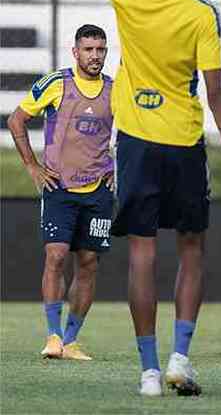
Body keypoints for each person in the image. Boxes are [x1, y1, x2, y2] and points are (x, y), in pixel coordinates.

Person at [86, 0, 221, 396]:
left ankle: (149, 372)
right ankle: (181, 356)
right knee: (192, 249)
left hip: (136, 142)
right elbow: (215, 89)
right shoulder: (202, 14)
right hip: (183, 143)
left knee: (141, 252)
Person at [8, 24, 114, 362]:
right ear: (75, 52)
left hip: (98, 191)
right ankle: (52, 336)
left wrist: (118, 168)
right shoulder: (57, 83)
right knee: (55, 256)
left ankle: (71, 340)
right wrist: (32, 166)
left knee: (88, 264)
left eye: (100, 49)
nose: (95, 56)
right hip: (59, 188)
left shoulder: (116, 89)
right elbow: (16, 120)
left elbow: (133, 130)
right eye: (88, 49)